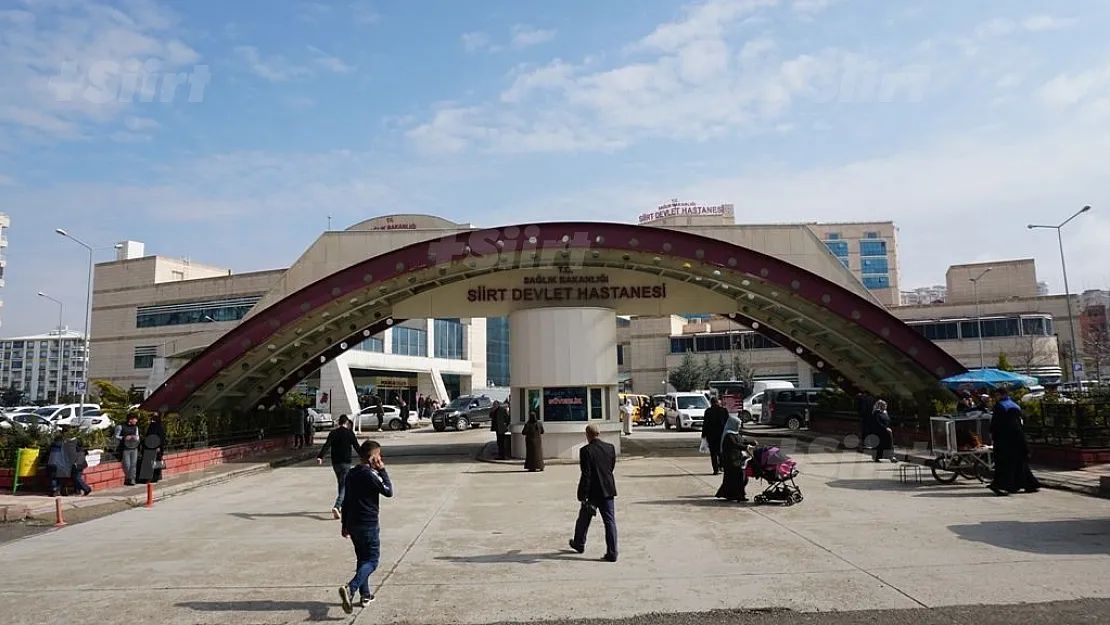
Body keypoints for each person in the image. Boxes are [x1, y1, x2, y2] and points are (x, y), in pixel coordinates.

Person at [338, 440, 393, 614]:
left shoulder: (351, 474)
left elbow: (345, 501)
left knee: (362, 559)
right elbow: (388, 491)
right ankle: (351, 587)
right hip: (368, 523)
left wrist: (344, 524)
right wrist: (382, 470)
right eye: (379, 455)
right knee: (372, 560)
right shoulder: (370, 474)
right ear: (372, 457)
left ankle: (365, 594)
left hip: (353, 523)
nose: (380, 458)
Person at [568, 424, 618, 562]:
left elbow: (586, 474)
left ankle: (579, 543)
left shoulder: (586, 451)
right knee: (610, 521)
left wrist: (582, 494)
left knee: (583, 518)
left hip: (593, 491)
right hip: (607, 489)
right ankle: (612, 552)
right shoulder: (610, 448)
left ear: (587, 435)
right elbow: (611, 467)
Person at [988, 386, 1041, 496]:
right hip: (1018, 438)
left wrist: (992, 435)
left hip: (1004, 440)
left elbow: (996, 424)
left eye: (997, 395)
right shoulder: (1015, 405)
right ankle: (1029, 484)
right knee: (1020, 463)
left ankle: (1004, 486)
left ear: (1003, 395)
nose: (996, 398)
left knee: (1005, 464)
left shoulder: (1000, 407)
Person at [318, 415, 361, 519]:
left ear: (339, 422)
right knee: (344, 485)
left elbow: (327, 445)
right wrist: (365, 457)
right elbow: (357, 447)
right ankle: (337, 506)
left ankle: (342, 505)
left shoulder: (333, 433)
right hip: (346, 462)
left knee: (341, 483)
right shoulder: (350, 433)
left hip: (335, 462)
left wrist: (320, 456)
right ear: (346, 422)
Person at [716, 415, 751, 502]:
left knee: (735, 478)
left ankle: (730, 494)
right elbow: (735, 444)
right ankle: (739, 495)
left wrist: (751, 442)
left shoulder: (736, 434)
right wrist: (746, 447)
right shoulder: (728, 435)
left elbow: (742, 441)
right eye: (738, 424)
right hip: (730, 460)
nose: (739, 426)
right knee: (738, 477)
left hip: (737, 459)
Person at [701, 397, 728, 476]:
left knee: (713, 453)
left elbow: (705, 424)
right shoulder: (723, 410)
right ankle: (722, 466)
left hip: (711, 435)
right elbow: (727, 423)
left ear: (711, 403)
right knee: (721, 451)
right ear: (718, 402)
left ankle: (715, 470)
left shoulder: (708, 411)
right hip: (721, 435)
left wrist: (703, 434)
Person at [114, 412, 142, 485]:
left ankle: (132, 479)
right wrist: (124, 437)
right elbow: (116, 436)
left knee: (133, 464)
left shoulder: (136, 427)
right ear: (130, 419)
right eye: (135, 419)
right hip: (125, 448)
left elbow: (138, 436)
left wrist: (136, 438)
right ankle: (127, 478)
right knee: (127, 465)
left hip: (134, 447)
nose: (136, 421)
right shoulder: (120, 427)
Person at [63, 427, 92, 496]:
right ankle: (78, 491)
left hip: (77, 463)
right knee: (75, 477)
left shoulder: (69, 444)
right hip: (80, 462)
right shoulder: (77, 441)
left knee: (77, 477)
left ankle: (87, 488)